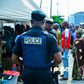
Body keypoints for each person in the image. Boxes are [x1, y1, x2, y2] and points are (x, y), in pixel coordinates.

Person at [12, 10, 62, 84]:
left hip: (28, 73)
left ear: (31, 21)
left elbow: (14, 59)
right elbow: (59, 59)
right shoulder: (49, 38)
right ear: (43, 22)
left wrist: (24, 63)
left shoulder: (21, 37)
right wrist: (51, 64)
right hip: (44, 73)